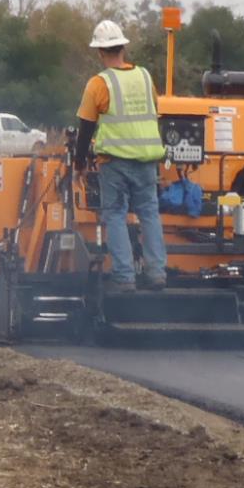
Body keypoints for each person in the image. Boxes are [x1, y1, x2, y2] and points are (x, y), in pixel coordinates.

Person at [70, 19, 167, 291]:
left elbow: (86, 128)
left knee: (115, 214)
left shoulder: (99, 84)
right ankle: (157, 272)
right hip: (148, 161)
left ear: (100, 52)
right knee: (149, 213)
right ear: (123, 47)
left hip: (114, 163)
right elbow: (153, 114)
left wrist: (79, 164)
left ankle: (125, 277)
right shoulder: (146, 77)